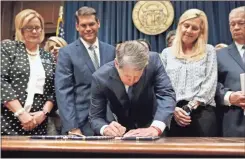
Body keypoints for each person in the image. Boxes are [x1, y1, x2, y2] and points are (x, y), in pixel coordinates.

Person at [89, 40, 176, 137]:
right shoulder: (100, 77)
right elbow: (95, 117)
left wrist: (156, 128)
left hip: (153, 127)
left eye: (137, 77)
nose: (132, 81)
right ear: (117, 64)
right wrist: (105, 128)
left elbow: (166, 95)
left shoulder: (153, 61)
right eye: (127, 76)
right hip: (121, 133)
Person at [55, 6, 115, 136]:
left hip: (110, 123)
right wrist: (72, 127)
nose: (88, 29)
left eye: (91, 24)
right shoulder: (67, 53)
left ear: (98, 23)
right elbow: (64, 92)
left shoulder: (111, 51)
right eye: (83, 25)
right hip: (81, 123)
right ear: (77, 26)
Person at [160, 9, 218, 137]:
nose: (189, 31)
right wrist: (174, 109)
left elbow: (210, 84)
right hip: (172, 113)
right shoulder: (166, 53)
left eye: (195, 28)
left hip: (201, 112)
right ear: (180, 26)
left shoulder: (209, 51)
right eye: (186, 26)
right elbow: (162, 86)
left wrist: (188, 108)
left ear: (201, 32)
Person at [1, 9, 56, 135]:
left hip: (38, 125)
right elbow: (1, 82)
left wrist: (43, 113)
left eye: (38, 27)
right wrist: (21, 113)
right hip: (7, 123)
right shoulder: (8, 49)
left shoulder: (47, 57)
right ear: (20, 29)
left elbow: (54, 90)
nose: (35, 31)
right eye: (29, 28)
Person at [215, 6, 245, 137]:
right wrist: (229, 97)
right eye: (232, 24)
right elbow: (211, 85)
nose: (236, 27)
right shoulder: (219, 55)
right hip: (233, 122)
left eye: (241, 23)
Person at [44, 36, 67, 135]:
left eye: (58, 46)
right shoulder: (44, 69)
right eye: (51, 48)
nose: (55, 49)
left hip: (68, 114)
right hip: (50, 115)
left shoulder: (73, 66)